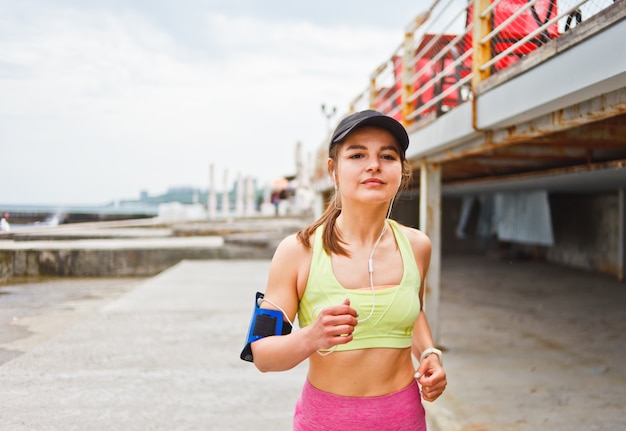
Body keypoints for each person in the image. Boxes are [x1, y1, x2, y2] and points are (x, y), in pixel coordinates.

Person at [244, 109, 447, 430]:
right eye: (357, 154)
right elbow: (261, 353)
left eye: (388, 156)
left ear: (401, 170)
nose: (374, 165)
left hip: (405, 419)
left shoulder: (417, 245)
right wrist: (312, 337)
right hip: (326, 420)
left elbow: (413, 311)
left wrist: (429, 354)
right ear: (333, 170)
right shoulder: (298, 251)